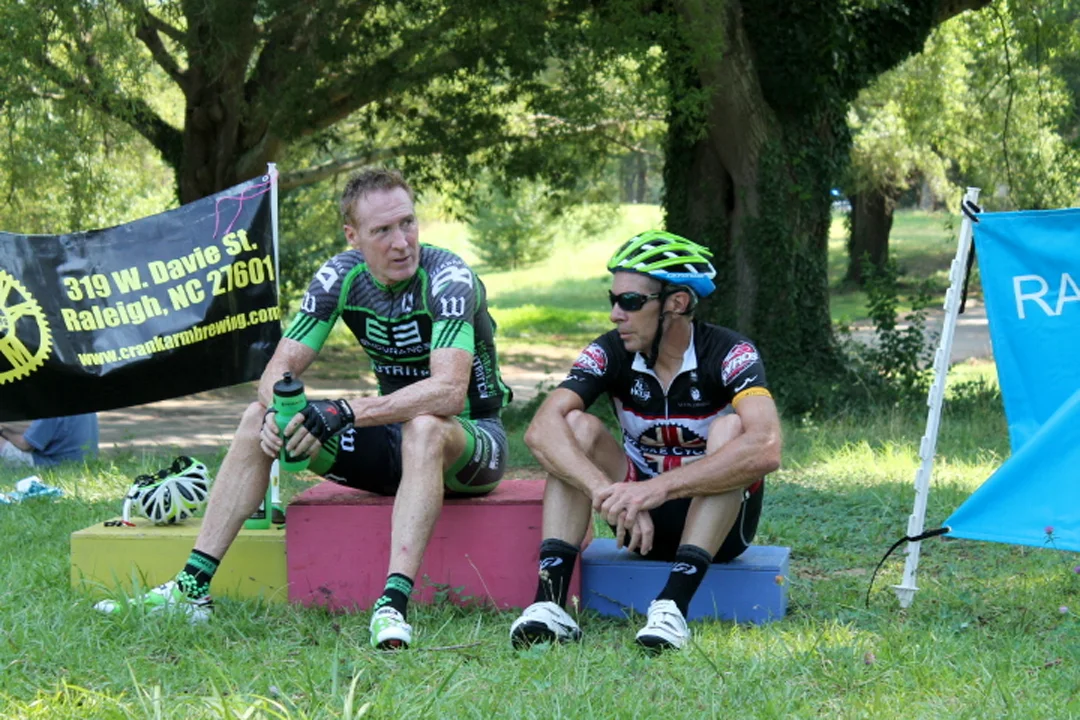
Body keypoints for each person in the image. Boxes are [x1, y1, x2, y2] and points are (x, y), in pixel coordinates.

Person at [95, 168, 512, 650]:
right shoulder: (340, 276)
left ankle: (392, 606)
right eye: (382, 231)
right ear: (353, 237)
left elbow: (448, 394)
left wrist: (343, 411)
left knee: (425, 426)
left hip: (471, 445)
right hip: (393, 445)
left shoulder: (448, 278)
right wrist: (281, 413)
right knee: (256, 420)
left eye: (408, 223)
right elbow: (277, 371)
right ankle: (191, 589)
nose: (402, 242)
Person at [509, 230, 782, 651]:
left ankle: (672, 607)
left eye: (631, 302)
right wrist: (610, 492)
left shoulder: (730, 352)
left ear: (676, 303)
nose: (616, 314)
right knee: (576, 427)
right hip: (637, 525)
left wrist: (653, 490)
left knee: (733, 430)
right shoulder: (612, 350)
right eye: (612, 300)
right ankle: (549, 604)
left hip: (719, 525)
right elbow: (540, 428)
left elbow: (766, 445)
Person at [0, 414, 99, 467]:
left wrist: (2, 431)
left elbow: (25, 445)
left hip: (54, 465)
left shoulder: (52, 407)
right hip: (83, 463)